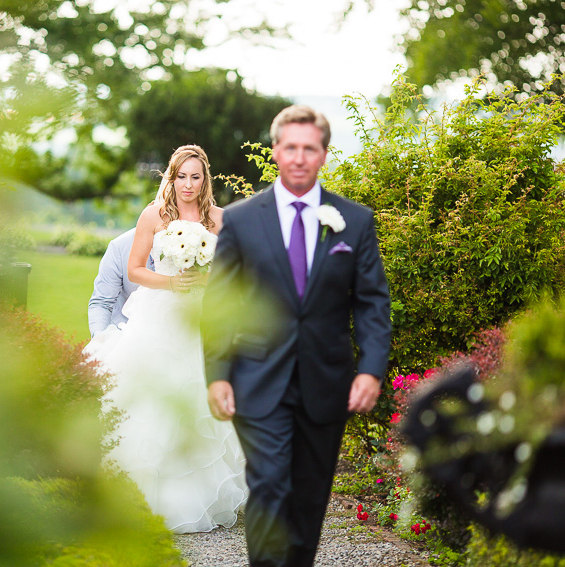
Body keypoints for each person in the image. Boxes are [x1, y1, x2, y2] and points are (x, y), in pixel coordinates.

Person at [202, 105, 391, 566]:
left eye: (310, 148)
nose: (300, 157)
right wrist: (217, 374)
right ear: (276, 151)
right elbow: (219, 305)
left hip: (325, 383)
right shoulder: (243, 220)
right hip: (257, 378)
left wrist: (370, 369)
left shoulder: (355, 222)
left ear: (324, 154)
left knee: (309, 498)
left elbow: (371, 303)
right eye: (291, 147)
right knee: (269, 485)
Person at [84, 145, 248, 534]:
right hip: (158, 314)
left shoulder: (220, 219)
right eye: (181, 176)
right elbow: (136, 270)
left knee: (198, 398)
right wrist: (173, 281)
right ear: (170, 177)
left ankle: (193, 497)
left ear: (205, 179)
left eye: (196, 176)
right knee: (149, 398)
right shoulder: (154, 214)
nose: (188, 184)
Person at [87, 228, 154, 338]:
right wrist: (99, 338)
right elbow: (102, 302)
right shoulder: (120, 246)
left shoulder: (188, 244)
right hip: (125, 332)